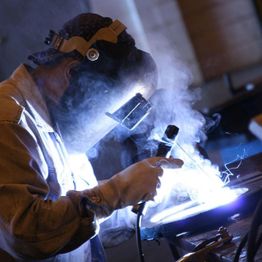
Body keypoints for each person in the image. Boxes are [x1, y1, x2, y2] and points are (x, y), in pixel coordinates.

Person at [0, 13, 183, 261]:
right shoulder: (9, 120)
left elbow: (79, 220)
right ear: (73, 73)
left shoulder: (54, 120)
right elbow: (27, 234)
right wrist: (116, 192)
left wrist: (139, 200)